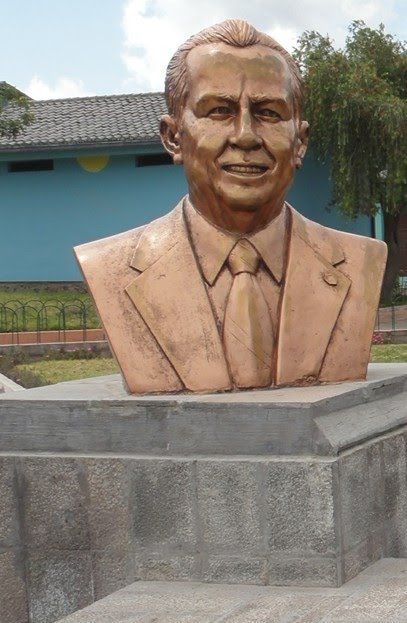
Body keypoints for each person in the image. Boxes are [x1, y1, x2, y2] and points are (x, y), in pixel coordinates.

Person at [75, 19, 387, 394]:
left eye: (269, 113)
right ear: (174, 137)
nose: (245, 136)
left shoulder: (359, 262)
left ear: (299, 142)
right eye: (219, 111)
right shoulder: (110, 267)